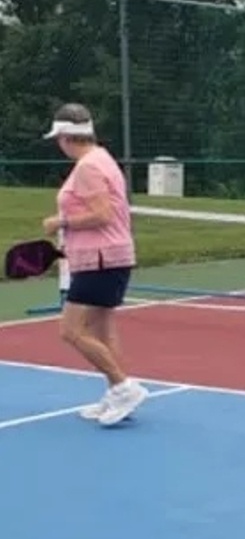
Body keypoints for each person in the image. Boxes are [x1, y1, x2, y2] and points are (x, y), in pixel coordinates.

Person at [40, 103, 147, 426]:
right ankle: (117, 392)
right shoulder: (101, 159)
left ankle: (124, 386)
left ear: (66, 137)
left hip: (101, 258)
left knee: (71, 331)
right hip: (108, 256)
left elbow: (102, 214)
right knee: (102, 328)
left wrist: (61, 222)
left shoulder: (88, 167)